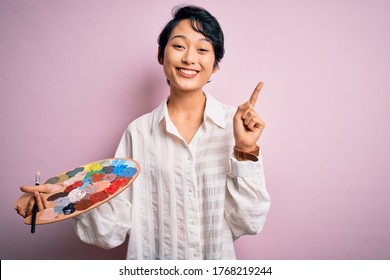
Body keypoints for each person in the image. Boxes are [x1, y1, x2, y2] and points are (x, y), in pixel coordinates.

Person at [16, 5, 271, 259]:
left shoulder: (235, 127)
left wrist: (245, 150)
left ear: (215, 65)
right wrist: (69, 197)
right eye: (179, 46)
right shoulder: (137, 133)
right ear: (161, 55)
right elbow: (112, 231)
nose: (189, 58)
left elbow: (249, 222)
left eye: (203, 49)